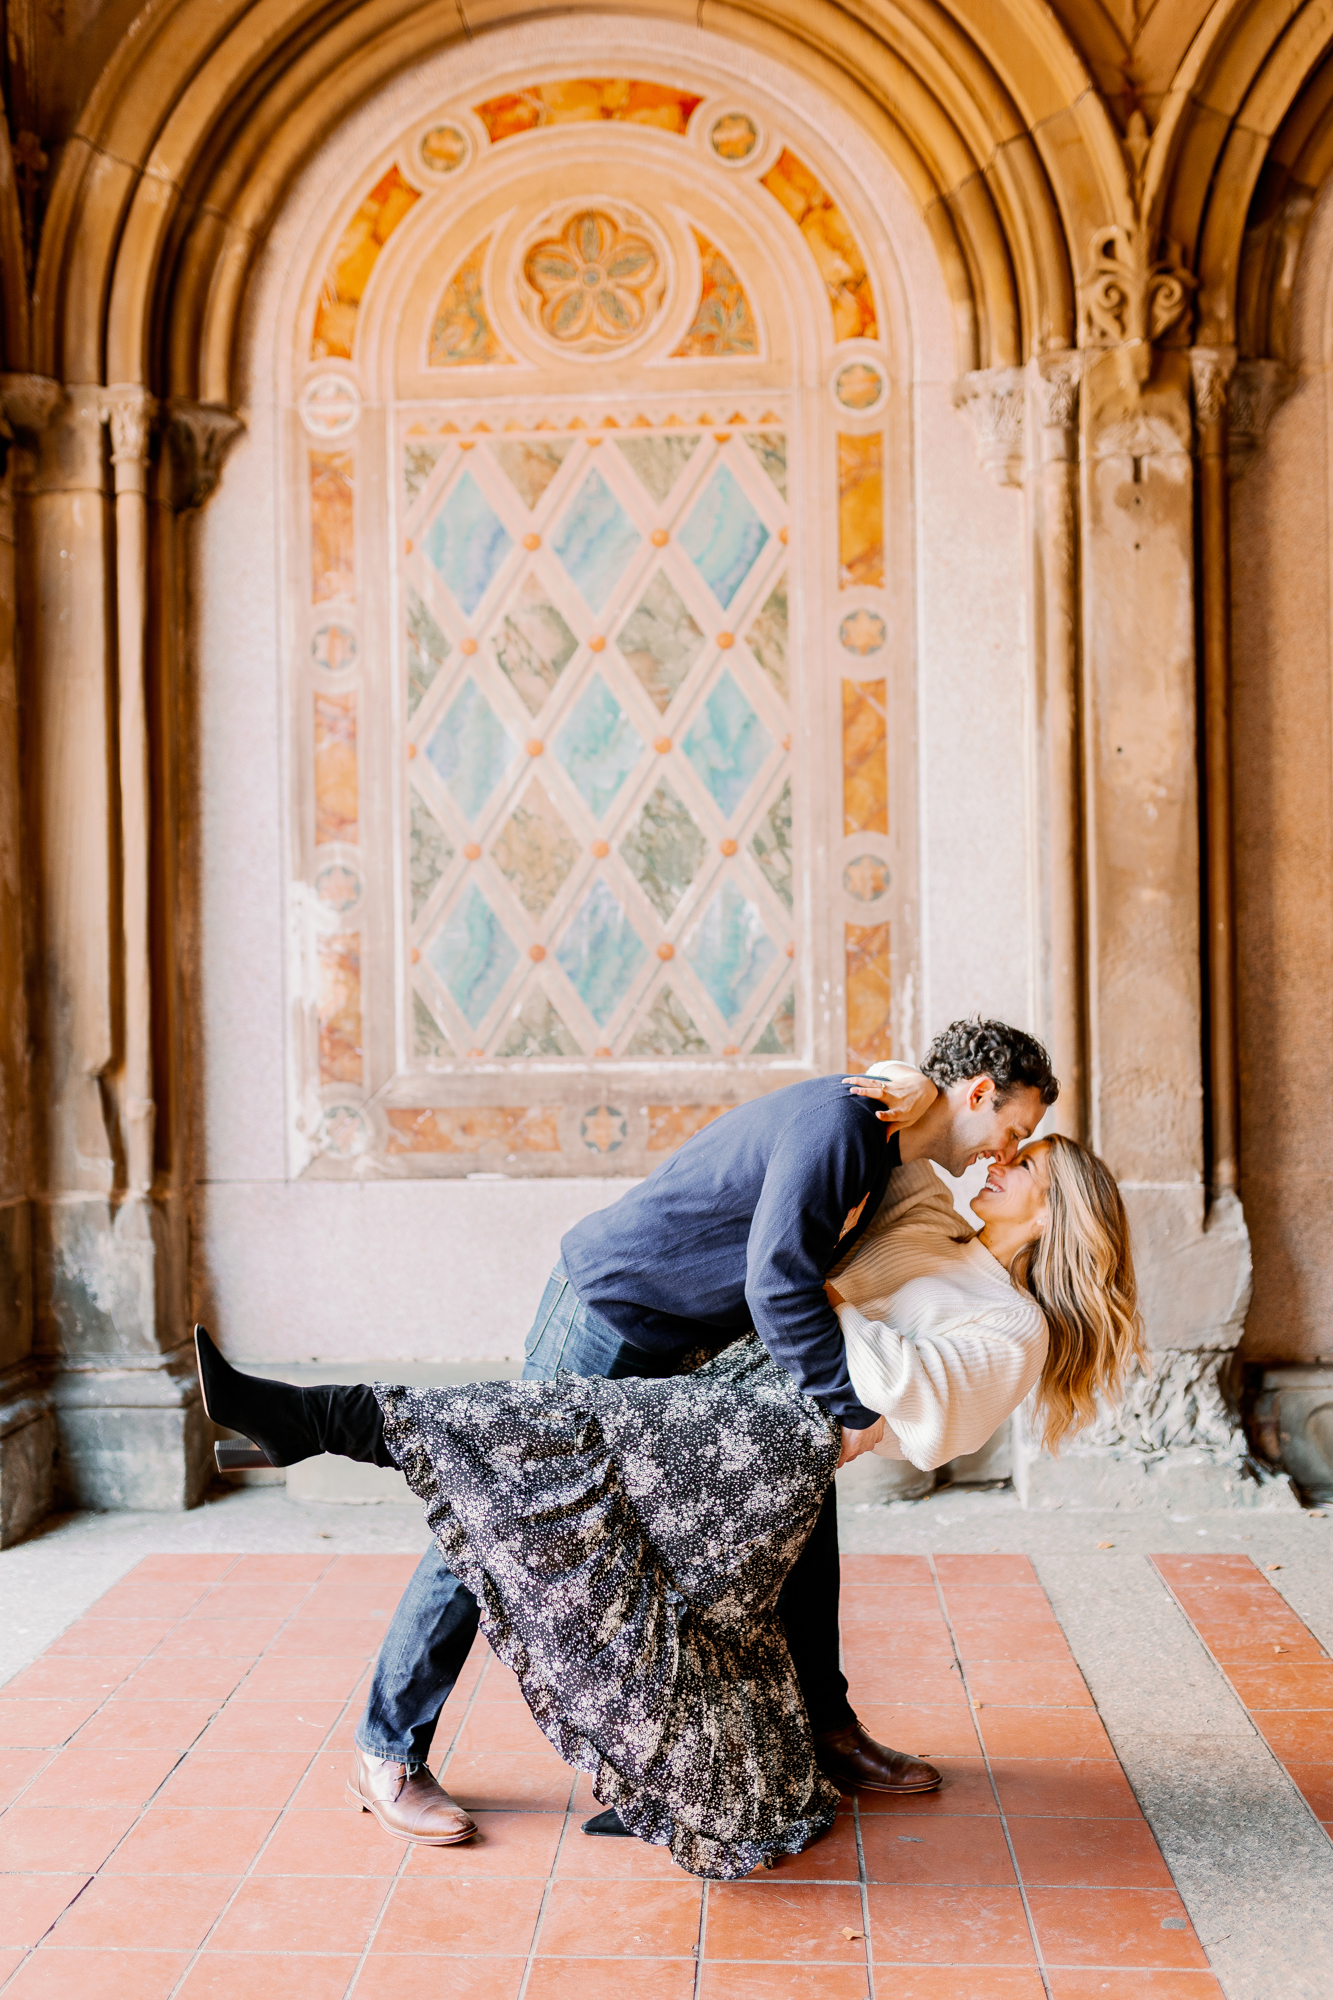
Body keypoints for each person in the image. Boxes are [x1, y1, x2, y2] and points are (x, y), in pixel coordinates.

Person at [192, 1041, 1143, 1880]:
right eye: (1011, 1130)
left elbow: (911, 1283)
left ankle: (818, 1732)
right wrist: (846, 1409)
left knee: (783, 1545)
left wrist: (908, 1095)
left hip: (712, 1357)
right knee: (500, 1491)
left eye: (1023, 1157)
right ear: (977, 1093)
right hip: (621, 1311)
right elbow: (788, 1285)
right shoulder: (858, 1135)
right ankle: (387, 1751)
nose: (1001, 1154)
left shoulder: (907, 1167)